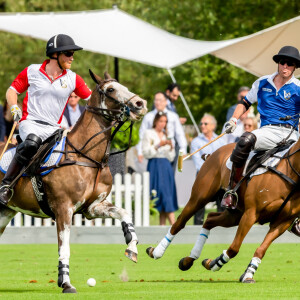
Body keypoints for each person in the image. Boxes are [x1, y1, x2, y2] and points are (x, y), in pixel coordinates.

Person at [0, 34, 92, 205]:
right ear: (55, 54)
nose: (72, 57)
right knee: (32, 143)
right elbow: (11, 90)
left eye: (73, 54)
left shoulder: (72, 78)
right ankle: (6, 185)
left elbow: (92, 100)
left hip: (55, 128)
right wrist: (14, 108)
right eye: (69, 53)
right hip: (30, 123)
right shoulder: (32, 71)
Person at [222, 45, 300, 210]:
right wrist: (234, 120)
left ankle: (296, 216)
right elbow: (245, 103)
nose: (285, 66)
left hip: (290, 134)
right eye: (283, 62)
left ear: (295, 67)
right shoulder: (262, 82)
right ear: (278, 63)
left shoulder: (298, 88)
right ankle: (233, 190)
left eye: (290, 64)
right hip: (267, 131)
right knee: (245, 140)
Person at [142, 112, 178, 225]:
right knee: (160, 193)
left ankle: (163, 226)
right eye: (161, 121)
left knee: (166, 193)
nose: (163, 124)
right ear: (156, 121)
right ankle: (174, 224)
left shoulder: (167, 135)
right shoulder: (148, 133)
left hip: (166, 166)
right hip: (154, 165)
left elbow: (171, 157)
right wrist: (158, 145)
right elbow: (146, 153)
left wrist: (171, 148)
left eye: (165, 122)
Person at [137, 92, 187, 171]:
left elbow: (180, 134)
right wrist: (140, 152)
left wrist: (183, 151)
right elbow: (142, 135)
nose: (157, 102)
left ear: (166, 102)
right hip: (154, 154)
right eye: (156, 100)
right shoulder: (148, 117)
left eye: (160, 100)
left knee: (169, 176)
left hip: (170, 153)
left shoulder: (173, 116)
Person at [191, 113, 226, 224]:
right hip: (203, 177)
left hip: (219, 177)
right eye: (201, 123)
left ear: (213, 126)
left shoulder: (220, 140)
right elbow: (198, 163)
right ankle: (196, 228)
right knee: (199, 204)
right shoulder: (196, 141)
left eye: (205, 123)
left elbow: (223, 159)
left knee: (222, 202)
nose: (202, 125)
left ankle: (221, 227)